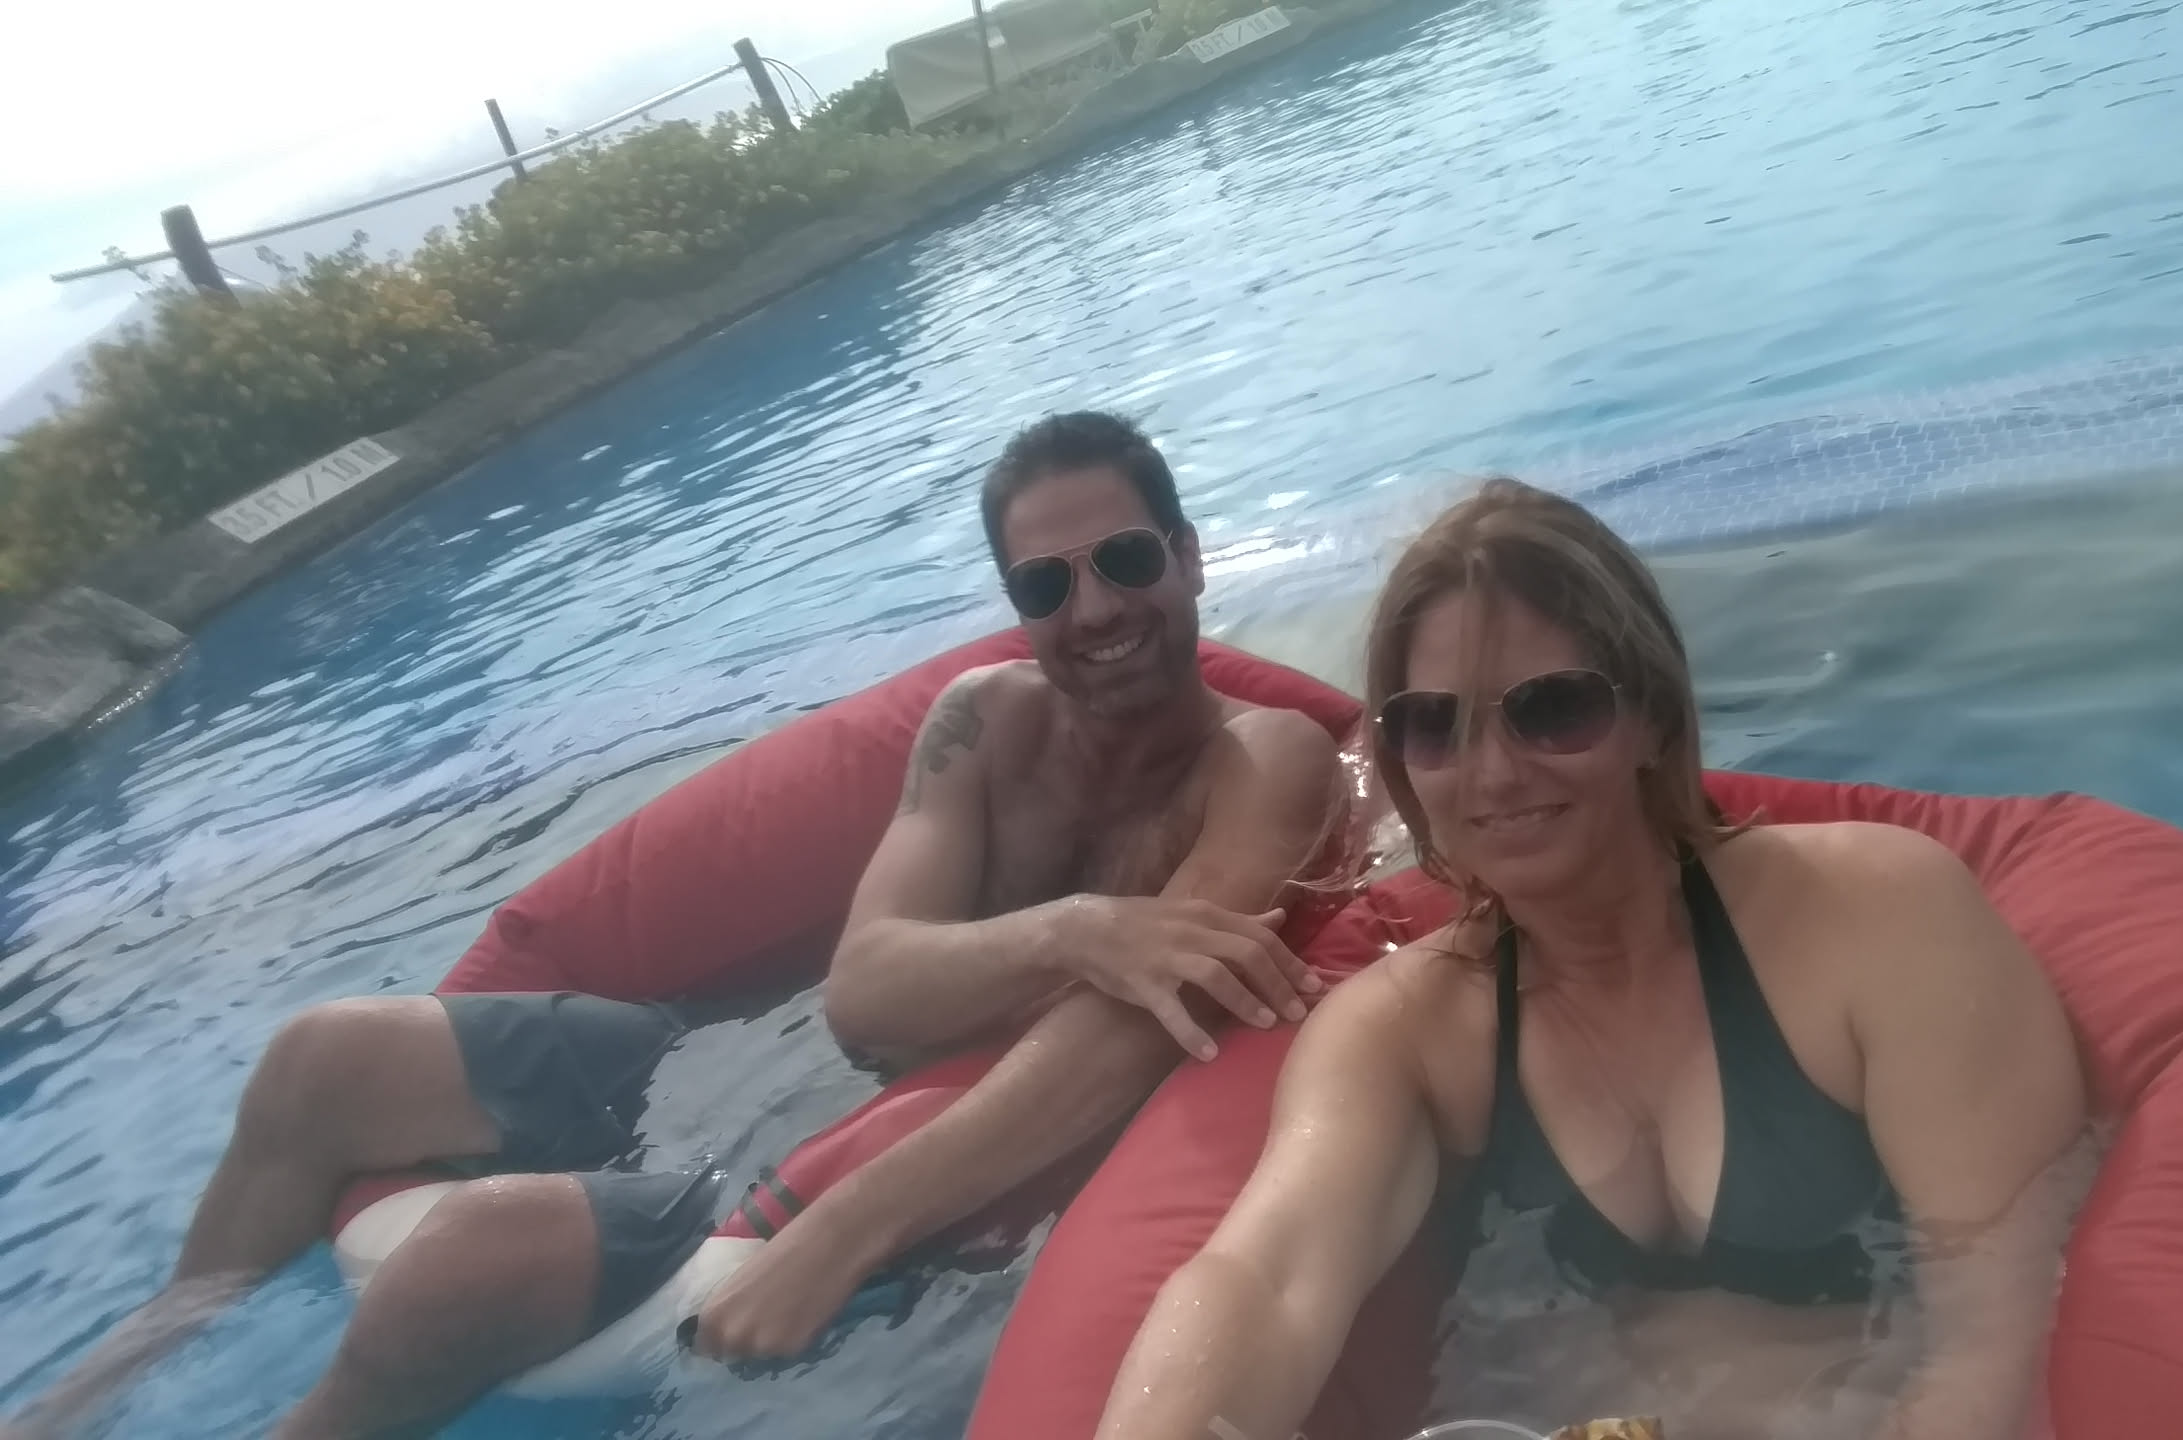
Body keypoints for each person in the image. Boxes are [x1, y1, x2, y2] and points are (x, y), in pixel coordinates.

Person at [4, 412, 1350, 1438]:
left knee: (469, 1264)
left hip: (906, 1147)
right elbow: (863, 992)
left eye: (1125, 561)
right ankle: (109, 1378)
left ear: (1187, 557)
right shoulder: (982, 722)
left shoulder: (1262, 761)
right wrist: (1074, 928)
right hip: (772, 1067)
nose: (1094, 610)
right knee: (321, 1060)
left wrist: (839, 1235)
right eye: (1045, 586)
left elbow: (1129, 1036)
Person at [1097, 478, 2091, 1440]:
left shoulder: (1876, 919)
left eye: (1551, 709)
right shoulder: (1406, 1034)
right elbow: (1263, 1280)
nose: (1493, 772)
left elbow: (1997, 1331)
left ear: (1650, 714)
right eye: (1433, 726)